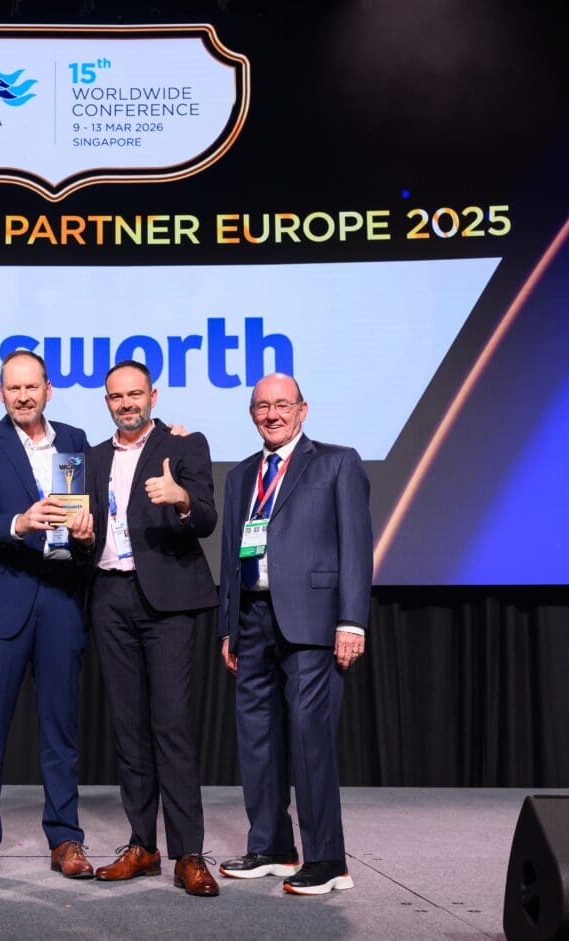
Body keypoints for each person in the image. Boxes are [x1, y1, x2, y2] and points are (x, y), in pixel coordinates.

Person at [217, 373, 372, 895]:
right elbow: (230, 556)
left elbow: (357, 546)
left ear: (303, 410)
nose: (272, 414)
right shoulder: (241, 476)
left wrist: (352, 621)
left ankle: (327, 860)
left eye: (283, 405)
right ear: (251, 414)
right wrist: (228, 627)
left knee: (310, 742)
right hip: (253, 621)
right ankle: (272, 848)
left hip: (313, 622)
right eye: (262, 406)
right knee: (256, 741)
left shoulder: (336, 462)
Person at [0, 350, 96, 887]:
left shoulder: (75, 441)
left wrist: (86, 535)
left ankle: (65, 838)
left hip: (60, 599)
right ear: (1, 393)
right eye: (12, 388)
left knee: (61, 731)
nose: (22, 396)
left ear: (47, 390)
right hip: (1, 605)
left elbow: (88, 520)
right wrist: (20, 521)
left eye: (31, 387)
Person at [85, 360, 221, 897]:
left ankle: (189, 853)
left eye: (135, 394)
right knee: (129, 729)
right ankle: (142, 845)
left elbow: (206, 518)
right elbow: (85, 527)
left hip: (167, 602)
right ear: (107, 402)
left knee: (172, 727)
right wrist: (79, 532)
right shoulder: (93, 458)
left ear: (153, 396)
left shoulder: (184, 446)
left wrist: (181, 497)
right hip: (110, 597)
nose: (127, 403)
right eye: (117, 396)